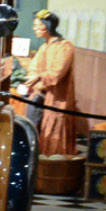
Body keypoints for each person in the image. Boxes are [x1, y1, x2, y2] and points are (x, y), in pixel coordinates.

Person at [17, 10, 78, 156]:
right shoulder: (45, 46)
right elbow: (34, 67)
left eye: (39, 26)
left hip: (57, 99)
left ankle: (54, 168)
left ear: (48, 27)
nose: (35, 29)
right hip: (41, 96)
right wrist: (29, 70)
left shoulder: (65, 46)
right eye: (35, 26)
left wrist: (39, 77)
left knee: (55, 131)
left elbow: (57, 73)